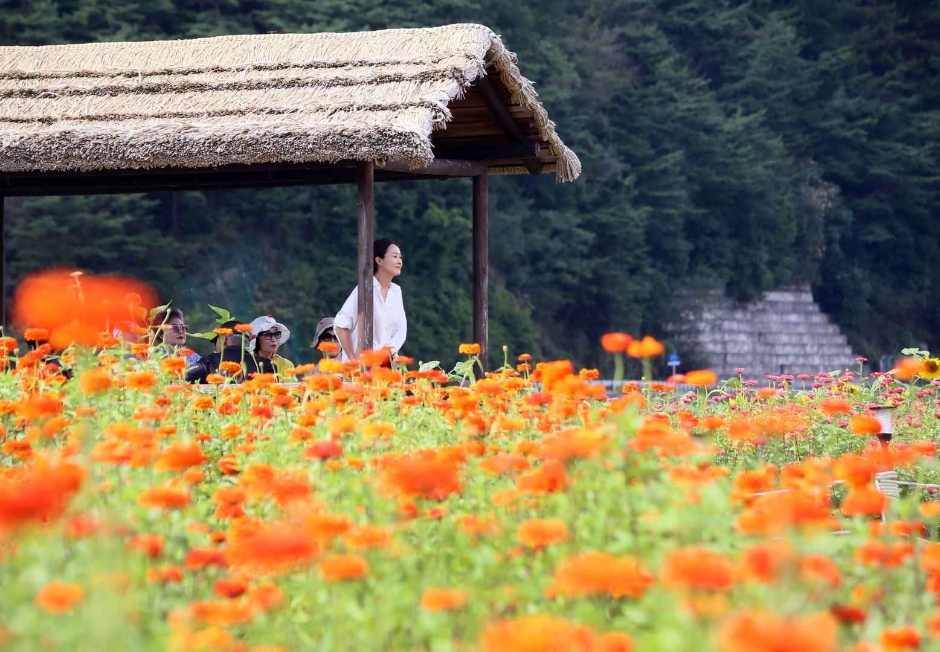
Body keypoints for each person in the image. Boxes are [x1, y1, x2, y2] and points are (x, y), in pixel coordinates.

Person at [334, 239, 406, 362]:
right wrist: (353, 360)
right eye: (395, 256)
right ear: (379, 260)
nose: (399, 261)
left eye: (400, 257)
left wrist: (387, 353)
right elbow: (341, 325)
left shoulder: (396, 292)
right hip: (360, 372)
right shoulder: (364, 290)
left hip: (385, 369)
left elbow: (401, 330)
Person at [185, 319, 274, 383]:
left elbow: (184, 378)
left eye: (216, 341)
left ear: (224, 340)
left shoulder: (207, 363)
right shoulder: (266, 364)